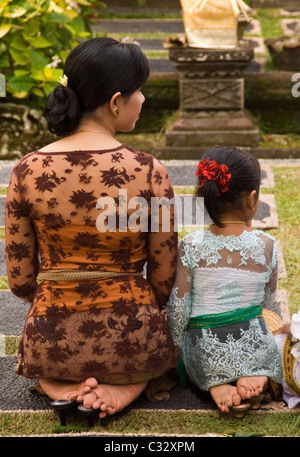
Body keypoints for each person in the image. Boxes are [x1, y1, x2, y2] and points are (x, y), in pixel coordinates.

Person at [5, 37, 178, 418]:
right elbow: (164, 279)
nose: (144, 100)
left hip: (50, 342)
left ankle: (59, 383)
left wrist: (60, 297)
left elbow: (19, 281)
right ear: (116, 102)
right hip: (133, 339)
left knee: (49, 355)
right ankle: (127, 385)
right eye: (139, 91)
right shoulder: (148, 171)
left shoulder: (26, 170)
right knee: (148, 355)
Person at [166, 146, 282, 415]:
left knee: (200, 353)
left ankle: (216, 383)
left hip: (205, 343)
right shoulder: (268, 245)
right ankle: (255, 374)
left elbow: (178, 309)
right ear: (253, 199)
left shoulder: (190, 246)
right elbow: (268, 300)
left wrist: (174, 349)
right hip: (252, 339)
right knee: (260, 335)